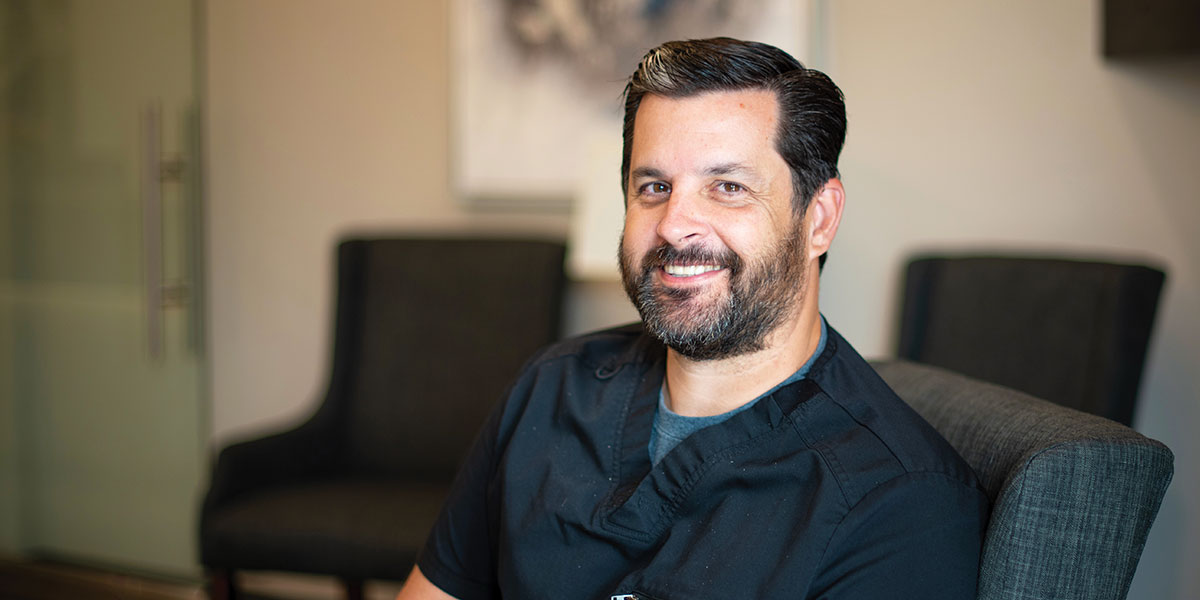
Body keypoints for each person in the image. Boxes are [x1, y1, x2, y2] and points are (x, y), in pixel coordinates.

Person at [398, 37, 987, 600]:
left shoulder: (899, 502)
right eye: (653, 186)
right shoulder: (551, 388)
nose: (675, 224)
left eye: (727, 186)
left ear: (819, 218)